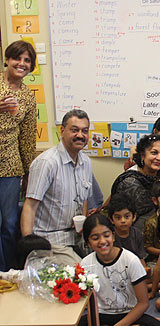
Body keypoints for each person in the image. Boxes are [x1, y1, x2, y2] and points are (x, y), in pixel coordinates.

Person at [21, 110, 93, 259]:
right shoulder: (46, 163)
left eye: (84, 131)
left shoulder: (86, 162)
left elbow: (85, 198)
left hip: (78, 239)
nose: (80, 135)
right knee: (82, 276)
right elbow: (30, 206)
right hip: (50, 242)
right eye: (74, 130)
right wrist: (29, 248)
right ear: (62, 131)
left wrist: (82, 219)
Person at [80, 214, 160, 326]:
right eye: (95, 238)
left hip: (130, 314)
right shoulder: (85, 264)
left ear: (113, 236)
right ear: (88, 243)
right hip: (100, 315)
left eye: (106, 235)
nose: (102, 241)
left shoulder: (130, 260)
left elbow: (143, 303)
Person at [0, 40, 37, 271]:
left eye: (27, 60)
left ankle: (5, 273)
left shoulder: (27, 97)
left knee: (9, 223)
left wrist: (27, 174)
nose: (21, 64)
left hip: (11, 167)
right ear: (7, 59)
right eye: (17, 58)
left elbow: (27, 139)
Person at [108, 193, 148, 263]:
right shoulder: (110, 236)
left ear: (134, 217)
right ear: (111, 220)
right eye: (118, 217)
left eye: (127, 217)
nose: (123, 221)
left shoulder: (137, 234)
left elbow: (140, 257)